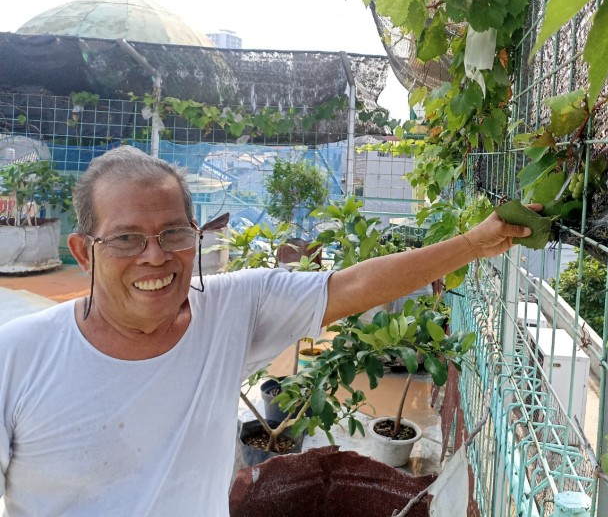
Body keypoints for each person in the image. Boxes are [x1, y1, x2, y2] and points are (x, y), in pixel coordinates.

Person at [0, 146, 532, 516]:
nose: (155, 256)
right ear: (81, 252)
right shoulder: (17, 357)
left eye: (174, 233)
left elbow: (352, 286)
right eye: (125, 240)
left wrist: (474, 244)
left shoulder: (231, 308)